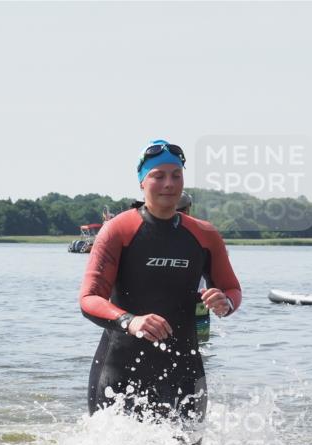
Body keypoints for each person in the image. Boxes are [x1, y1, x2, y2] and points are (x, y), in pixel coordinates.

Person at [79, 140, 241, 422]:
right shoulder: (119, 230)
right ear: (142, 182)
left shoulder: (205, 235)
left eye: (176, 175)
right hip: (120, 367)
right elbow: (89, 299)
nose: (169, 183)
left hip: (184, 369)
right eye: (158, 176)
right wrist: (131, 320)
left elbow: (232, 289)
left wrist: (224, 302)